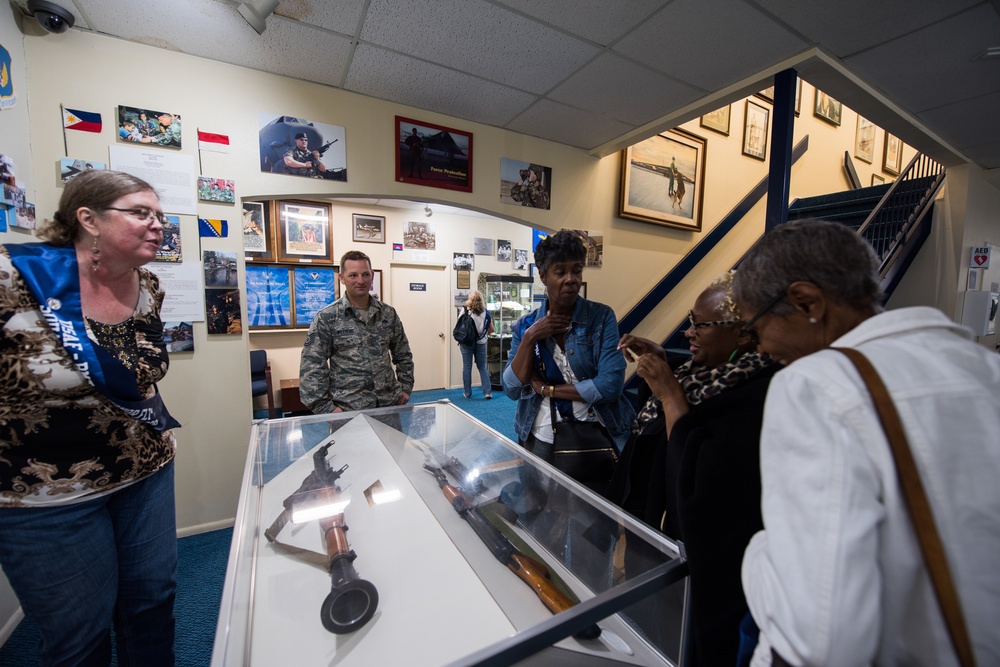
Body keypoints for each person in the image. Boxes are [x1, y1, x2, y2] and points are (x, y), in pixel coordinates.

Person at [734, 220, 1000, 666]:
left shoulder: (815, 386)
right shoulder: (985, 369)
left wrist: (759, 555)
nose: (758, 348)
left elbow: (821, 641)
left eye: (754, 328)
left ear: (806, 301)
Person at [0, 170, 181, 666]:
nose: (157, 224)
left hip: (144, 470)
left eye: (160, 215)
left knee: (152, 604)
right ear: (88, 219)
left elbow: (144, 370)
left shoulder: (148, 284)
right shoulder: (13, 278)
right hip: (46, 495)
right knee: (79, 635)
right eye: (140, 212)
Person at [613, 271, 777, 666]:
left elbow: (698, 469)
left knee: (684, 637)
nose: (689, 333)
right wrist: (666, 365)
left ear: (741, 334)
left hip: (703, 556)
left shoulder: (761, 390)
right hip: (654, 529)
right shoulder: (701, 374)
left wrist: (668, 391)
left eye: (700, 325)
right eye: (689, 321)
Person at [502, 229, 635, 473]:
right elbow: (510, 388)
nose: (571, 279)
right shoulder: (526, 326)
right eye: (560, 272)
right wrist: (531, 337)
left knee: (593, 507)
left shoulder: (601, 318)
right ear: (543, 276)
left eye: (576, 270)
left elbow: (610, 386)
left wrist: (547, 390)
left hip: (593, 434)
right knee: (538, 505)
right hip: (539, 434)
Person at [299, 250, 414, 412]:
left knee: (391, 439)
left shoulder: (387, 314)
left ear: (372, 276)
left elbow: (403, 353)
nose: (360, 280)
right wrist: (326, 408)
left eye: (365, 274)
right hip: (348, 408)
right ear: (342, 278)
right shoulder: (327, 317)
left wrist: (406, 386)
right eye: (353, 275)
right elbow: (312, 364)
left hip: (388, 404)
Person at [460, 290, 493, 400]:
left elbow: (460, 327)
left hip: (467, 343)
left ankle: (467, 393)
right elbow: (491, 329)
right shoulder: (486, 313)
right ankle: (487, 392)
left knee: (467, 367)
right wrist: (482, 335)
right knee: (482, 367)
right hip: (481, 342)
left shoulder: (465, 311)